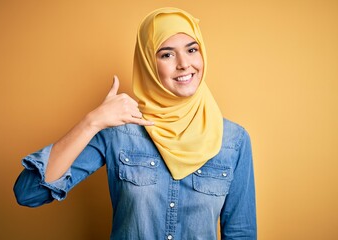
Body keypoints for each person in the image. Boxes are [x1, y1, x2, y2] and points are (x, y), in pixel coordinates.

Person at [14, 7, 257, 239]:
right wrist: (92, 121)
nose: (184, 63)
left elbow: (241, 233)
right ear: (149, 64)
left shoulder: (233, 141)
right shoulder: (118, 131)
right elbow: (29, 193)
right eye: (167, 54)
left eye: (192, 50)